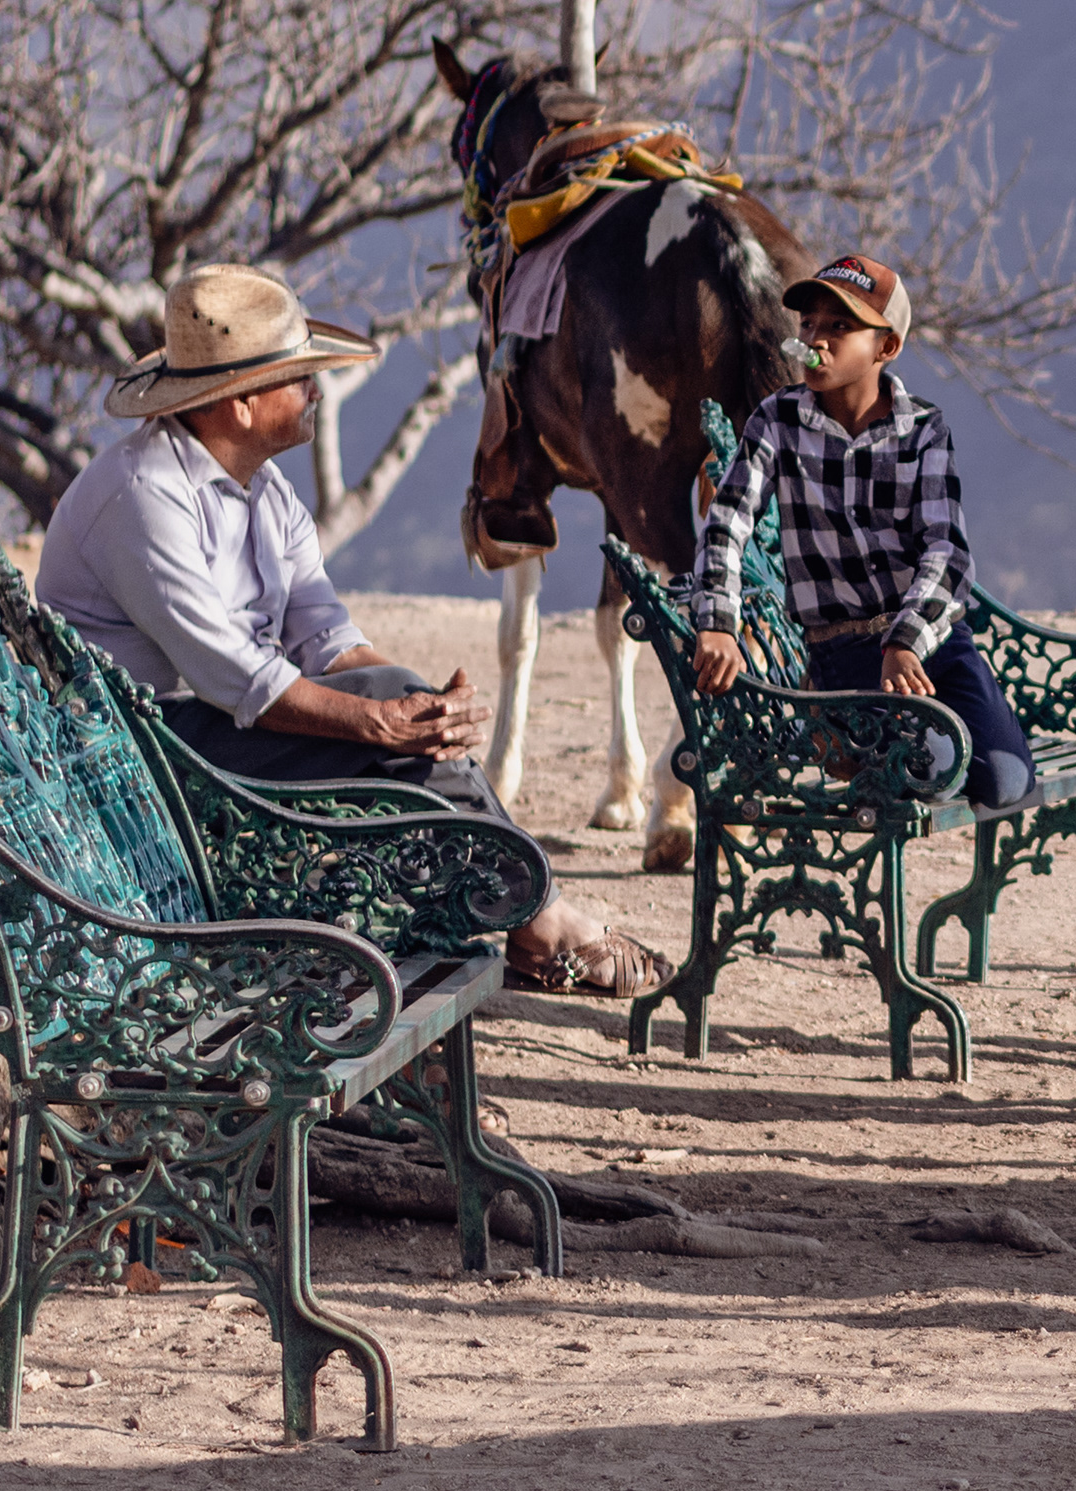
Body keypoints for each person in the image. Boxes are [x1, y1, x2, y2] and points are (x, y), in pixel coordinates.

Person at [36, 265, 668, 996]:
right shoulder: (144, 498)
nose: (315, 390)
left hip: (206, 733)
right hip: (149, 759)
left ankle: (528, 912)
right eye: (298, 376)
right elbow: (239, 680)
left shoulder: (262, 491)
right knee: (389, 733)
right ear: (241, 405)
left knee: (405, 719)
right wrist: (380, 721)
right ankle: (538, 917)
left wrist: (419, 710)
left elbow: (327, 638)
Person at [686, 256, 1035, 815]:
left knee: (1009, 784)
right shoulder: (776, 421)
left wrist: (905, 641)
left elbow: (946, 553)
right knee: (929, 774)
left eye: (839, 328)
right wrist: (718, 622)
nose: (815, 340)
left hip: (929, 649)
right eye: (808, 325)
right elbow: (727, 521)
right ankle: (856, 742)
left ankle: (890, 744)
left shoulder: (923, 431)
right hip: (841, 656)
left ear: (885, 348)